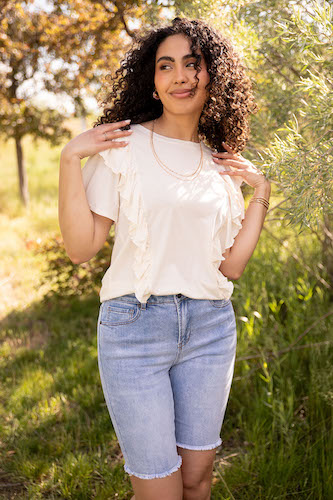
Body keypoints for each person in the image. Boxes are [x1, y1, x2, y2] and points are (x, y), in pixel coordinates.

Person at [58, 16, 271, 500]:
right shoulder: (125, 146)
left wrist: (261, 191)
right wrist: (71, 159)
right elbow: (81, 248)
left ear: (211, 75)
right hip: (135, 330)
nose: (180, 76)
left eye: (192, 64)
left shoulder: (220, 161)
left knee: (196, 482)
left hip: (210, 329)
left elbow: (231, 267)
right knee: (161, 492)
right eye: (166, 66)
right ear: (152, 83)